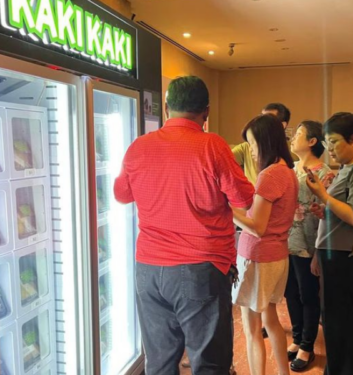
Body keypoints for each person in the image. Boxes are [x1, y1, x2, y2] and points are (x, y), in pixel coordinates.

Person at [113, 76, 255, 374]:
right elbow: (244, 199)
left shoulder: (139, 146)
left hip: (148, 270)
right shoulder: (212, 145)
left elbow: (121, 194)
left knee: (161, 361)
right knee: (210, 364)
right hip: (200, 267)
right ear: (206, 112)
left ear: (166, 109)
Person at [305, 112, 353, 375]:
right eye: (327, 142)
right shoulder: (348, 168)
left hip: (349, 258)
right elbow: (344, 211)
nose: (329, 149)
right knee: (335, 324)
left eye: (334, 141)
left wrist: (325, 198)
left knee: (346, 326)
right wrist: (326, 210)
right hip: (335, 254)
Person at [231, 114, 298, 375]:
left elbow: (257, 227)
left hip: (258, 256)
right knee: (271, 320)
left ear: (265, 142)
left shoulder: (269, 175)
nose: (252, 151)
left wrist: (226, 209)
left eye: (253, 144)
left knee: (251, 328)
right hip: (277, 254)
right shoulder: (287, 171)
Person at [286, 121, 335, 371]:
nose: (293, 138)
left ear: (312, 141)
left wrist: (318, 252)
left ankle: (307, 345)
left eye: (298, 134)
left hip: (309, 242)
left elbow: (328, 215)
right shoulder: (290, 168)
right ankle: (296, 338)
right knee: (290, 292)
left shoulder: (325, 173)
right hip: (286, 242)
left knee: (307, 294)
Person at [232, 103, 293, 184]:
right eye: (261, 117)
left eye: (268, 119)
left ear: (282, 125)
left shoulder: (292, 151)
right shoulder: (246, 147)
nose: (261, 123)